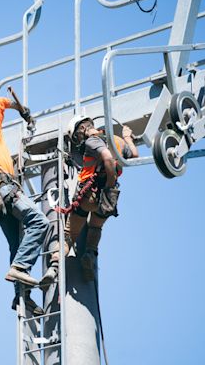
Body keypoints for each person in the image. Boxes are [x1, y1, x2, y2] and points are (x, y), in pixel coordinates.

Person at [0, 97, 49, 316]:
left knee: (16, 245)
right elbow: (0, 102)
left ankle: (21, 295)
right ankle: (20, 268)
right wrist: (22, 109)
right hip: (8, 193)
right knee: (40, 222)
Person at [41, 115, 138, 284]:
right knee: (95, 228)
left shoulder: (92, 141)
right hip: (109, 198)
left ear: (82, 129)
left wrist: (108, 183)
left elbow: (107, 157)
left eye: (77, 137)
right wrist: (128, 137)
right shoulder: (117, 140)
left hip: (91, 193)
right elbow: (134, 155)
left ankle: (54, 267)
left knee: (69, 234)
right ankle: (89, 257)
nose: (78, 141)